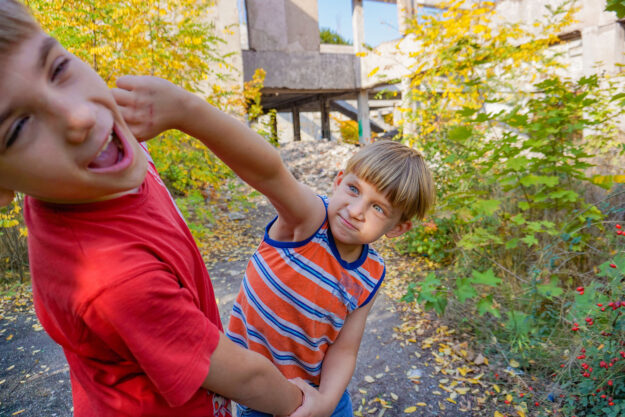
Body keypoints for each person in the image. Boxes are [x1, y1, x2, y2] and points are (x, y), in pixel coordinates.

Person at [0, 1, 304, 416]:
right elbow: (247, 379)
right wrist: (304, 405)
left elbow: (270, 170)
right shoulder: (113, 279)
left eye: (57, 69)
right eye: (18, 127)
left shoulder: (100, 157)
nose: (79, 117)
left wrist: (187, 110)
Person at [112, 75, 436, 417]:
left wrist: (325, 402)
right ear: (339, 180)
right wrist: (188, 112)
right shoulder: (311, 219)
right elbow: (269, 172)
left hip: (318, 397)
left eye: (378, 208)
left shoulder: (371, 274)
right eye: (355, 190)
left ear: (398, 228)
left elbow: (344, 349)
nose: (356, 211)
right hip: (261, 399)